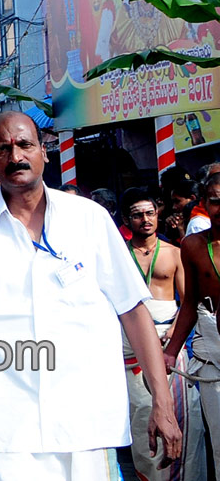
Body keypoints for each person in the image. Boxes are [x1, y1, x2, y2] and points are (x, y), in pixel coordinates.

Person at [0, 112, 181, 480]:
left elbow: (133, 312)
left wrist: (162, 405)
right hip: (7, 425)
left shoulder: (89, 218)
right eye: (2, 149)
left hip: (86, 417)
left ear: (44, 152)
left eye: (25, 144)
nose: (15, 156)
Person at [118, 187, 204, 481]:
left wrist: (172, 333)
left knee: (182, 417)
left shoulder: (175, 253)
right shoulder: (119, 256)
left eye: (150, 213)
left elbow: (188, 300)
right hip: (130, 348)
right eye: (138, 215)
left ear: (159, 214)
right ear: (127, 220)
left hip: (170, 345)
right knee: (141, 416)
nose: (145, 220)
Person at [163, 171, 220, 470]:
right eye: (216, 202)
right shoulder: (193, 245)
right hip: (213, 356)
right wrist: (171, 351)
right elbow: (190, 303)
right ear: (203, 204)